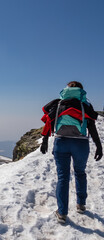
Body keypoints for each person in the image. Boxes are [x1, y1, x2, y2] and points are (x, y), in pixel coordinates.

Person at [40, 81, 103, 224]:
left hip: (61, 142)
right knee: (80, 173)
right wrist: (99, 145)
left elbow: (48, 120)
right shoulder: (85, 105)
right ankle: (81, 205)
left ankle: (62, 213)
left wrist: (44, 141)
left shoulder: (59, 103)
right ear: (81, 91)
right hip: (80, 143)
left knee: (63, 177)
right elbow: (92, 126)